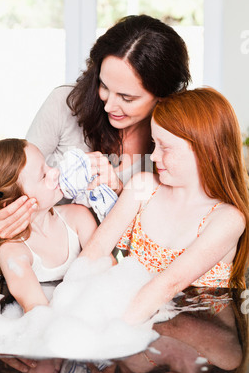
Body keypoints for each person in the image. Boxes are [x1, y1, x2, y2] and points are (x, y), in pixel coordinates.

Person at [0, 14, 191, 240]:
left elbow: (158, 241)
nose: (109, 105)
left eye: (126, 97)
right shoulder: (64, 104)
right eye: (104, 85)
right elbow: (12, 184)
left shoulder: (173, 144)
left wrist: (121, 195)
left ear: (163, 97)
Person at [79, 87, 249, 324]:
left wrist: (115, 330)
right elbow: (94, 252)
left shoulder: (227, 219)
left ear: (207, 151)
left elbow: (169, 283)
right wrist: (67, 303)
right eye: (153, 144)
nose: (153, 156)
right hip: (147, 323)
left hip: (200, 333)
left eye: (165, 148)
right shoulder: (143, 188)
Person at [0, 138, 98, 312]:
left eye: (48, 165)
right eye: (43, 175)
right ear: (12, 203)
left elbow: (108, 271)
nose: (55, 171)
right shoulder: (13, 251)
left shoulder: (78, 217)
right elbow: (36, 309)